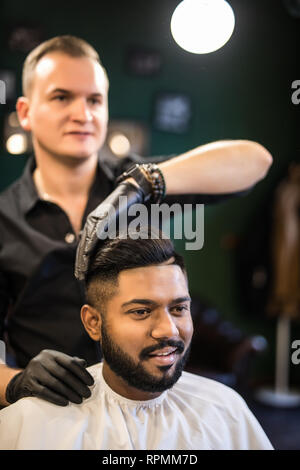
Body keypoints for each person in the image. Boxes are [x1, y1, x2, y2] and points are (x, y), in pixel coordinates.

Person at [0, 35, 273, 408]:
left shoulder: (144, 186)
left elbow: (255, 160)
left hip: (151, 409)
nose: (83, 114)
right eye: (62, 97)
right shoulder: (4, 221)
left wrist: (145, 183)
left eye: (94, 99)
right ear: (26, 112)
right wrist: (17, 382)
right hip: (54, 412)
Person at [0, 230, 273, 450]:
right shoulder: (34, 420)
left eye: (178, 309)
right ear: (93, 323)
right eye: (141, 312)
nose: (168, 330)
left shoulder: (225, 408)